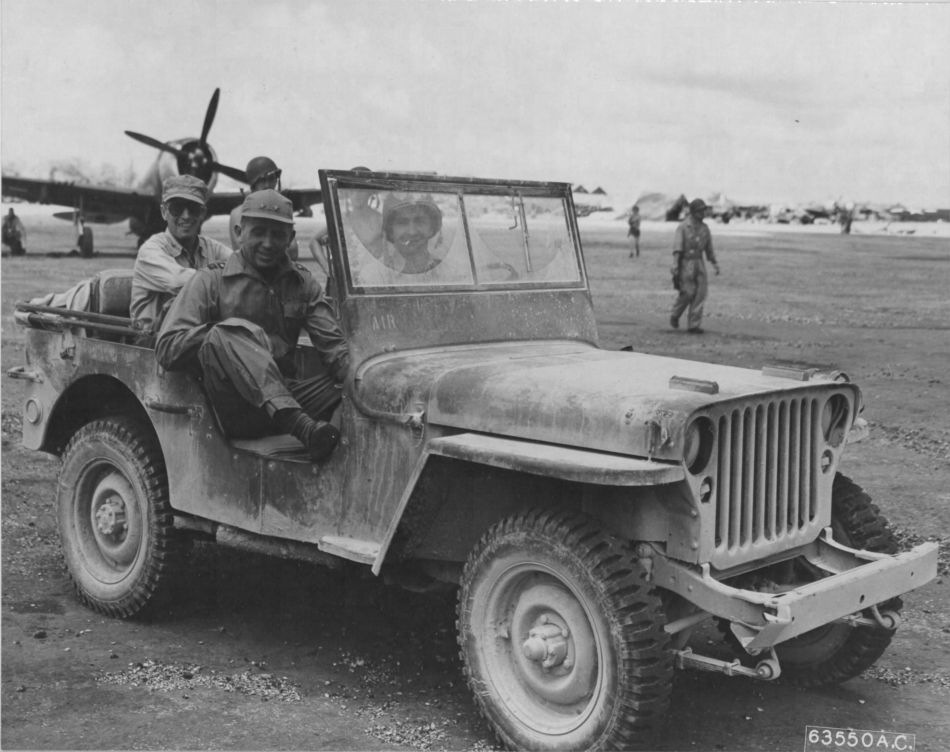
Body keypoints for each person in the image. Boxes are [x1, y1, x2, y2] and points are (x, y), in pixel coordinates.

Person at [156, 189, 349, 462]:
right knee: (226, 331)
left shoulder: (303, 283)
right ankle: (303, 429)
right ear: (239, 232)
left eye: (278, 234)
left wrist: (362, 378)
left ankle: (332, 451)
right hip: (233, 407)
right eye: (259, 232)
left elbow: (335, 350)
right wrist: (231, 337)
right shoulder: (211, 280)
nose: (268, 243)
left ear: (291, 238)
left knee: (358, 386)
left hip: (290, 396)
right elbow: (167, 347)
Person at [130, 175, 231, 332]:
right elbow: (180, 281)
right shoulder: (150, 250)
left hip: (196, 335)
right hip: (153, 341)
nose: (186, 216)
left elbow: (241, 265)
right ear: (164, 212)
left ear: (203, 213)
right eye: (177, 208)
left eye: (193, 209)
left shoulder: (212, 247)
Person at [229, 156, 299, 260]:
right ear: (253, 184)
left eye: (271, 179)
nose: (268, 185)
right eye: (262, 180)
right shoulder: (239, 213)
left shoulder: (280, 210)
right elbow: (245, 252)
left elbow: (293, 251)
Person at [670, 198, 720, 334]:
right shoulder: (683, 227)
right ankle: (675, 314)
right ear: (693, 212)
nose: (703, 213)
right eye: (701, 210)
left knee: (700, 293)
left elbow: (709, 249)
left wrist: (714, 263)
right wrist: (675, 264)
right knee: (687, 292)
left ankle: (694, 325)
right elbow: (677, 247)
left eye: (704, 210)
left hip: (699, 262)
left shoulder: (705, 228)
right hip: (685, 263)